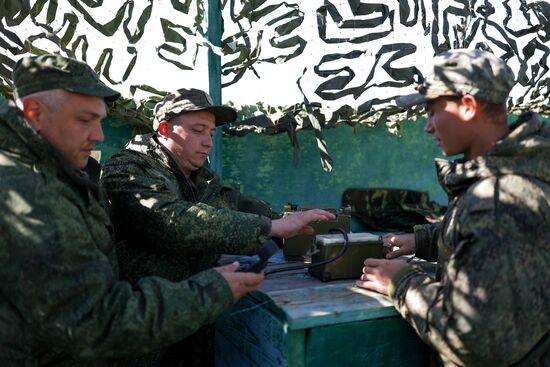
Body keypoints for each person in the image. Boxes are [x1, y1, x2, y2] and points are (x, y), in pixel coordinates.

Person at [0, 54, 266, 367]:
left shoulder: (51, 175)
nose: (99, 135)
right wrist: (211, 289)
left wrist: (272, 221)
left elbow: (227, 207)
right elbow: (96, 320)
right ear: (34, 113)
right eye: (85, 119)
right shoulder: (29, 191)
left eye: (211, 133)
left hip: (168, 328)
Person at [100, 88, 336, 366]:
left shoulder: (200, 176)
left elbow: (233, 207)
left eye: (211, 133)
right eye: (198, 130)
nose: (208, 142)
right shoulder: (126, 169)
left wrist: (290, 224)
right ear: (164, 129)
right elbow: (172, 221)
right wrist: (269, 227)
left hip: (195, 316)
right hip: (143, 325)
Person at [356, 48, 549, 366]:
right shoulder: (514, 172)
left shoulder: (500, 199)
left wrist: (401, 282)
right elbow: (487, 244)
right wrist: (423, 240)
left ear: (468, 107)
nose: (428, 127)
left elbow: (472, 337)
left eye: (433, 112)